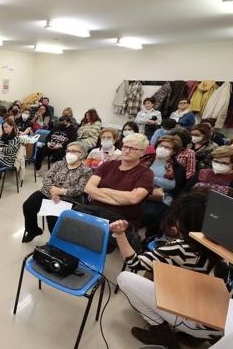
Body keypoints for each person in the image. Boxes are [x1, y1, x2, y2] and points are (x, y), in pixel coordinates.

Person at [113, 189, 221, 347]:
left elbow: (134, 263)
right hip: (218, 320)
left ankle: (162, 335)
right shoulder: (221, 243)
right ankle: (194, 337)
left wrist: (120, 234)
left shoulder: (183, 248)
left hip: (198, 321)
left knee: (125, 278)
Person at [22, 142, 92, 242]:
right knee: (28, 205)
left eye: (74, 151)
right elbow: (47, 177)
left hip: (69, 198)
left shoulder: (86, 171)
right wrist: (52, 191)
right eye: (68, 151)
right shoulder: (60, 164)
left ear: (82, 154)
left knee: (52, 217)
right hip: (48, 192)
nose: (69, 153)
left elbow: (79, 189)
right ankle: (33, 230)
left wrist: (61, 192)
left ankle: (55, 242)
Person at [84, 133, 154, 229]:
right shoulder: (107, 165)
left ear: (142, 153)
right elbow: (88, 188)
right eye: (125, 147)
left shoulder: (146, 173)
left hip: (121, 220)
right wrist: (118, 201)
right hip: (94, 212)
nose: (127, 151)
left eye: (133, 148)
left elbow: (134, 198)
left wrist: (104, 190)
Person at [140, 135, 186, 239]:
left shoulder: (176, 167)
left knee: (150, 213)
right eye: (161, 145)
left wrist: (150, 177)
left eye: (167, 147)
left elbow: (172, 185)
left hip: (161, 198)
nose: (162, 148)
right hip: (140, 192)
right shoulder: (146, 159)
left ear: (174, 151)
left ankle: (149, 239)